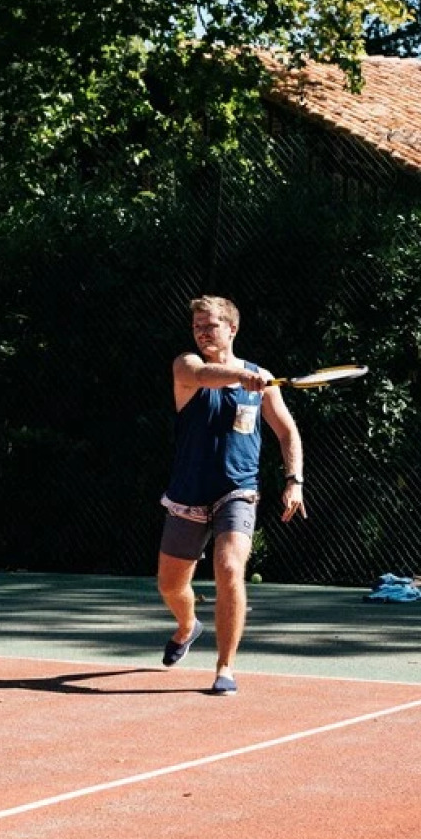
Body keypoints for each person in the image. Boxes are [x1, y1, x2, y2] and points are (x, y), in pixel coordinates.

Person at [157, 296, 304, 695]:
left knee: (229, 567)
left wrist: (295, 479)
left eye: (211, 325)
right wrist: (239, 378)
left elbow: (287, 431)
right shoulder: (186, 366)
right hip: (187, 493)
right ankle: (188, 626)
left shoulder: (262, 379)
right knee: (170, 587)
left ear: (232, 329)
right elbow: (205, 376)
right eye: (198, 327)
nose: (203, 332)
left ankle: (225, 668)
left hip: (237, 492)